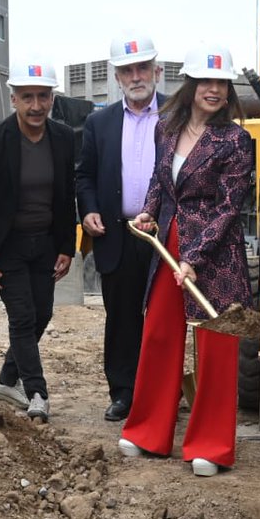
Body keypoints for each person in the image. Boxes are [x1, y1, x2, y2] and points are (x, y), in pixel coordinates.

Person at [119, 43, 253, 477]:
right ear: (191, 85)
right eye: (206, 82)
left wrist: (194, 257)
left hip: (217, 253)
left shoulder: (236, 140)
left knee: (216, 345)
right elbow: (162, 180)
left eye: (221, 83)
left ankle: (211, 446)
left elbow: (229, 207)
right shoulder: (167, 127)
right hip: (170, 243)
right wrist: (147, 211)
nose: (214, 90)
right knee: (159, 334)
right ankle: (147, 433)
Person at [0, 58, 76, 423]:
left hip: (44, 243)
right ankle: (37, 391)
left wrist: (65, 246)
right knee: (23, 317)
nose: (36, 106)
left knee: (42, 313)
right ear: (13, 99)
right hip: (6, 245)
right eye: (27, 97)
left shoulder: (62, 138)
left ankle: (7, 380)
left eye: (43, 96)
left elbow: (65, 196)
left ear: (52, 99)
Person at [76, 31, 165, 422]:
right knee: (122, 317)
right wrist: (88, 210)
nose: (135, 76)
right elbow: (85, 176)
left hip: (165, 234)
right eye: (127, 70)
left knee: (163, 318)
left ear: (156, 71)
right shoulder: (99, 123)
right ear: (116, 77)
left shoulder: (178, 118)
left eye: (142, 67)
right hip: (119, 232)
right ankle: (123, 392)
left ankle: (161, 393)